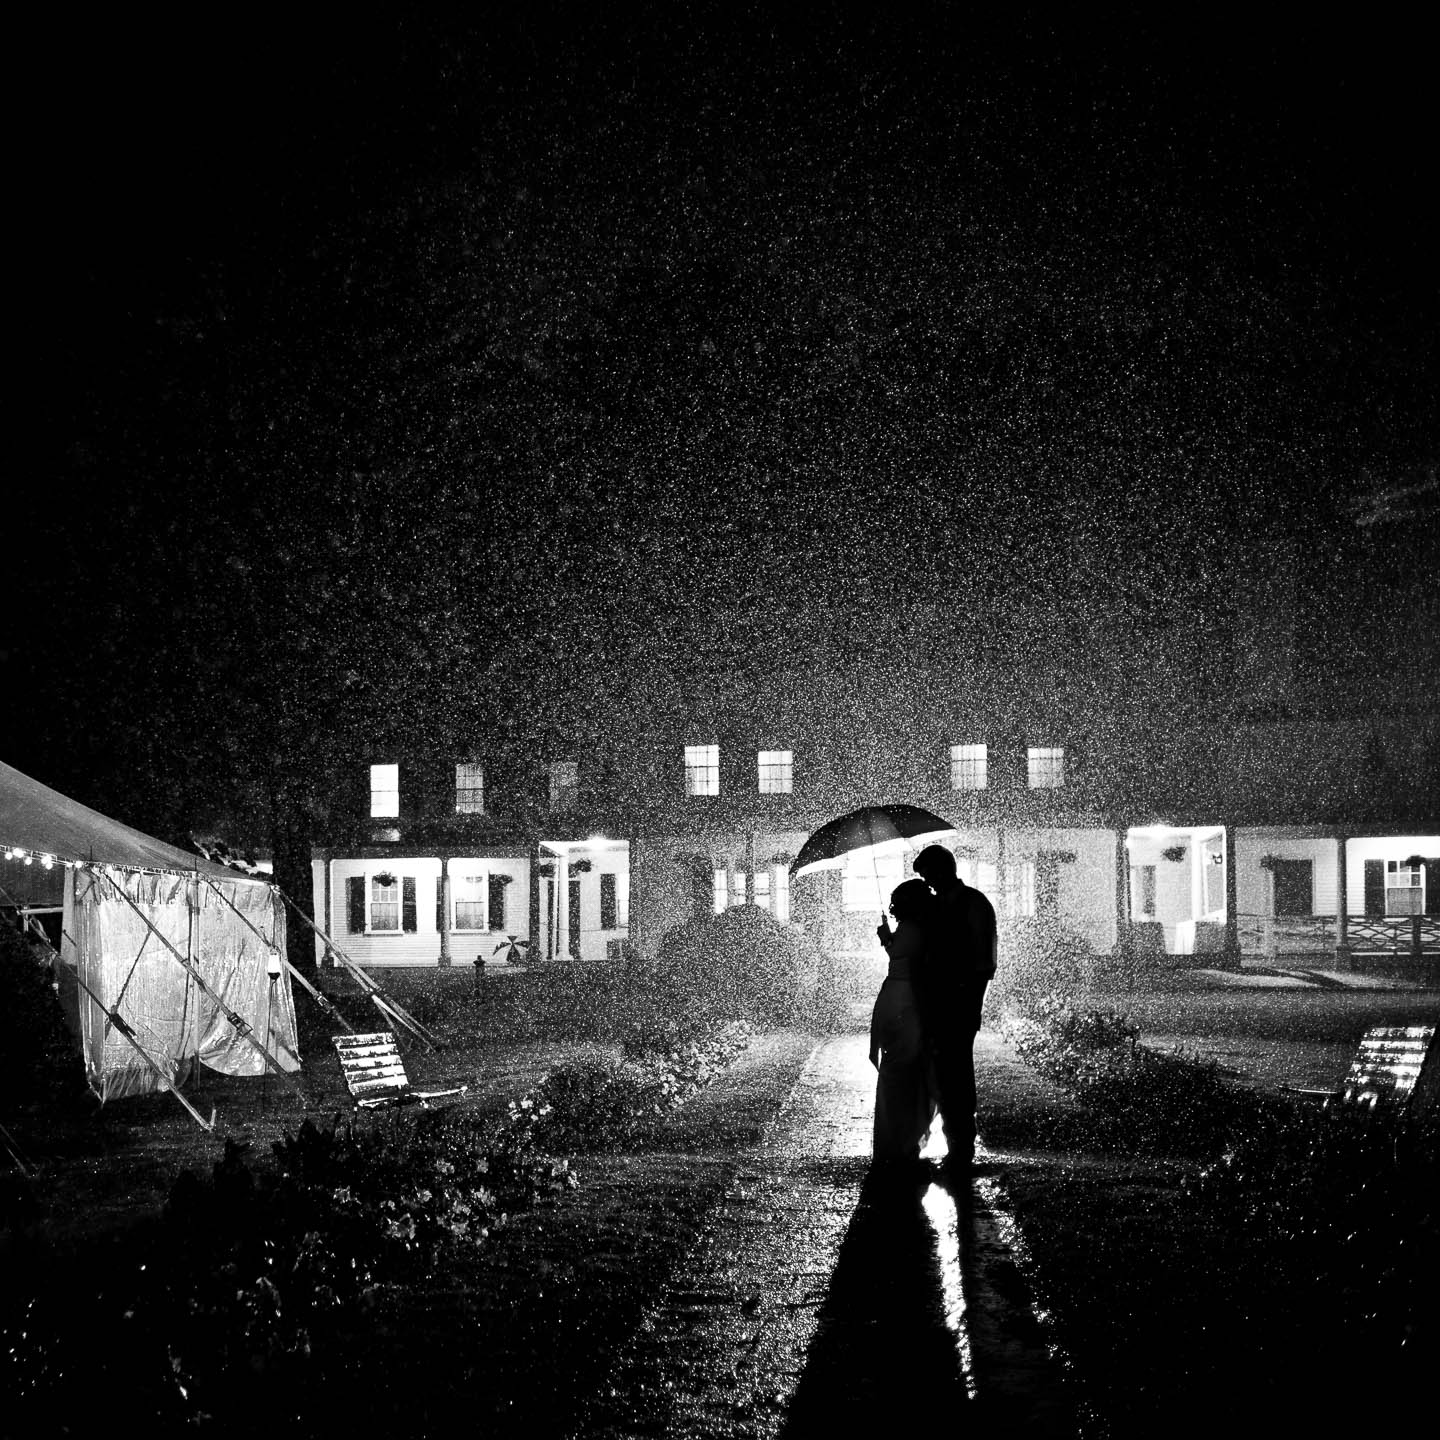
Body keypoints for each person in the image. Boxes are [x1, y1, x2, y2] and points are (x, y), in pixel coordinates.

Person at [911, 843, 997, 1173]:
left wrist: (967, 996)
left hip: (959, 1004)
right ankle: (953, 1143)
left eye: (929, 876)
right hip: (937, 1004)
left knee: (956, 1075)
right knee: (943, 1075)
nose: (927, 884)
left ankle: (961, 1147)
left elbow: (983, 962)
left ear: (943, 870)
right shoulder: (940, 904)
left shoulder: (973, 904)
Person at [869, 878, 938, 1171]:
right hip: (909, 1001)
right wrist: (888, 938)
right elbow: (910, 959)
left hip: (892, 997)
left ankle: (895, 1140)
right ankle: (903, 1141)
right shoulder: (921, 930)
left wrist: (887, 938)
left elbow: (899, 956)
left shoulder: (907, 930)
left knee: (897, 1071)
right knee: (908, 1072)